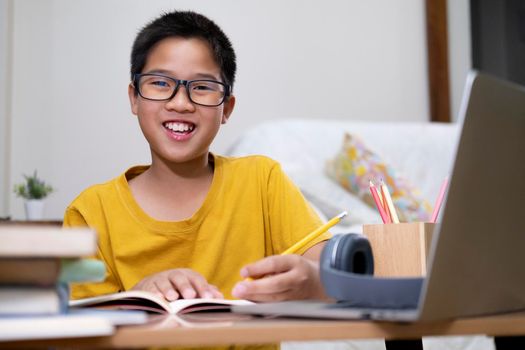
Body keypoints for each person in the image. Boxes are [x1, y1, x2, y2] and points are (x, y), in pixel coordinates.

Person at [64, 10, 331, 304]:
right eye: (161, 83)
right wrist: (135, 298)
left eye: (202, 87)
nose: (180, 103)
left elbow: (337, 280)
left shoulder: (262, 181)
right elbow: (77, 333)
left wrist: (315, 281)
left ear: (226, 108)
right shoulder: (90, 213)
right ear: (134, 98)